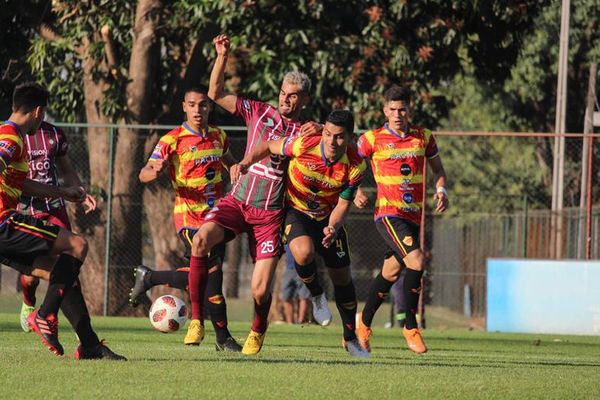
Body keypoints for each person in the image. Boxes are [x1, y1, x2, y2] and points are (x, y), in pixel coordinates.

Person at [185, 33, 321, 355]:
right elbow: (215, 93)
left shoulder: (306, 132)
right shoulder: (258, 111)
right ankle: (196, 319)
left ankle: (258, 329)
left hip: (270, 214)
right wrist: (222, 56)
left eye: (294, 96)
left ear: (304, 101)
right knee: (202, 238)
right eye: (283, 93)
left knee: (259, 291)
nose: (286, 99)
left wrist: (320, 131)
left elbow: (333, 146)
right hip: (239, 201)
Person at [0, 82, 125, 360]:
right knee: (78, 245)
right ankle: (42, 315)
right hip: (4, 225)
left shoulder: (8, 133)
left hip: (8, 228)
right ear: (37, 112)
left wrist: (64, 193)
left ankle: (90, 345)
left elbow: (23, 186)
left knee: (61, 275)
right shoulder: (12, 138)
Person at [232, 109, 370, 358]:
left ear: (349, 137)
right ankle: (317, 295)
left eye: (339, 136)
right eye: (327, 134)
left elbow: (342, 204)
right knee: (303, 252)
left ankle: (351, 338)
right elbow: (269, 146)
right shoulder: (304, 144)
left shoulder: (356, 164)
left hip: (328, 218)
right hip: (297, 211)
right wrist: (246, 162)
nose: (331, 141)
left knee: (342, 278)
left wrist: (333, 226)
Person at [132, 86, 241, 352]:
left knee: (210, 279)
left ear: (209, 107)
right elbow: (144, 173)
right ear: (184, 107)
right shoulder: (173, 139)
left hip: (217, 217)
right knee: (212, 273)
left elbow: (229, 161)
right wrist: (153, 171)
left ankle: (150, 278)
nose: (197, 110)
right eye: (192, 105)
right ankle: (219, 335)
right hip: (189, 218)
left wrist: (237, 169)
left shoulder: (219, 135)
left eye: (202, 105)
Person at [354, 84, 448, 354]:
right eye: (392, 109)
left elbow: (439, 170)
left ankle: (363, 324)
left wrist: (441, 190)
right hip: (387, 214)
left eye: (402, 109)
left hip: (412, 216)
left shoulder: (424, 138)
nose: (397, 114)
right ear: (385, 110)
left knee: (391, 272)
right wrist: (357, 189)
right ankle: (410, 326)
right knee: (417, 261)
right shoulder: (372, 139)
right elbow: (351, 165)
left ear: (410, 109)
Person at [17, 120, 97, 332]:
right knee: (32, 275)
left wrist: (80, 192)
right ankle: (28, 301)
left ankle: (80, 331)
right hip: (25, 209)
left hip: (54, 207)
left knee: (69, 265)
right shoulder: (11, 135)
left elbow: (67, 169)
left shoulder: (54, 134)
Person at [280, 244, 310, 324]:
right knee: (286, 296)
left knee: (304, 296)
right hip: (289, 269)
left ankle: (300, 321)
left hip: (304, 268)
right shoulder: (285, 235)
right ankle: (290, 323)